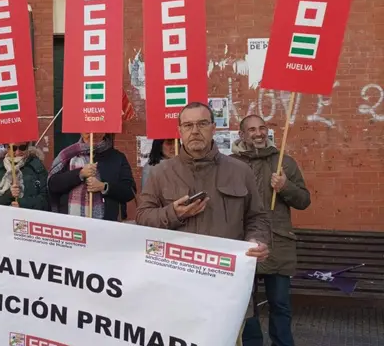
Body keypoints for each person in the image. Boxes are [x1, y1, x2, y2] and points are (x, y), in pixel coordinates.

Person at [136, 102, 271, 342]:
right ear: (179, 131)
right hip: (176, 288)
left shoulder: (240, 171)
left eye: (202, 124)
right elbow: (143, 217)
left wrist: (256, 240)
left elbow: (257, 217)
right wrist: (174, 213)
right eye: (188, 125)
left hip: (226, 287)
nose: (195, 131)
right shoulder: (161, 173)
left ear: (213, 128)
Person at [232, 115, 311, 346]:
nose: (258, 133)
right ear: (242, 134)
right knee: (246, 307)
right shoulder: (230, 164)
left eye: (262, 128)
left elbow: (304, 200)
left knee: (280, 304)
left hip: (278, 245)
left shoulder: (284, 162)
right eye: (252, 129)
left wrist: (285, 187)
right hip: (244, 244)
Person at [47, 133, 136, 221]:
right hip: (71, 222)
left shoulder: (117, 157)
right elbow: (53, 185)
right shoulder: (68, 155)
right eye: (87, 131)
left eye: (98, 131)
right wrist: (79, 174)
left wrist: (104, 187)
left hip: (107, 223)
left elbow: (130, 191)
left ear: (104, 132)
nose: (92, 134)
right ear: (81, 131)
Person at [0, 142, 48, 210]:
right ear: (7, 148)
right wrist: (9, 195)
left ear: (27, 147)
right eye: (13, 148)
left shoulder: (37, 167)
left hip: (29, 215)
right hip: (4, 215)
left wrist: (22, 203)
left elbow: (45, 199)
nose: (17, 152)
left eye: (22, 147)